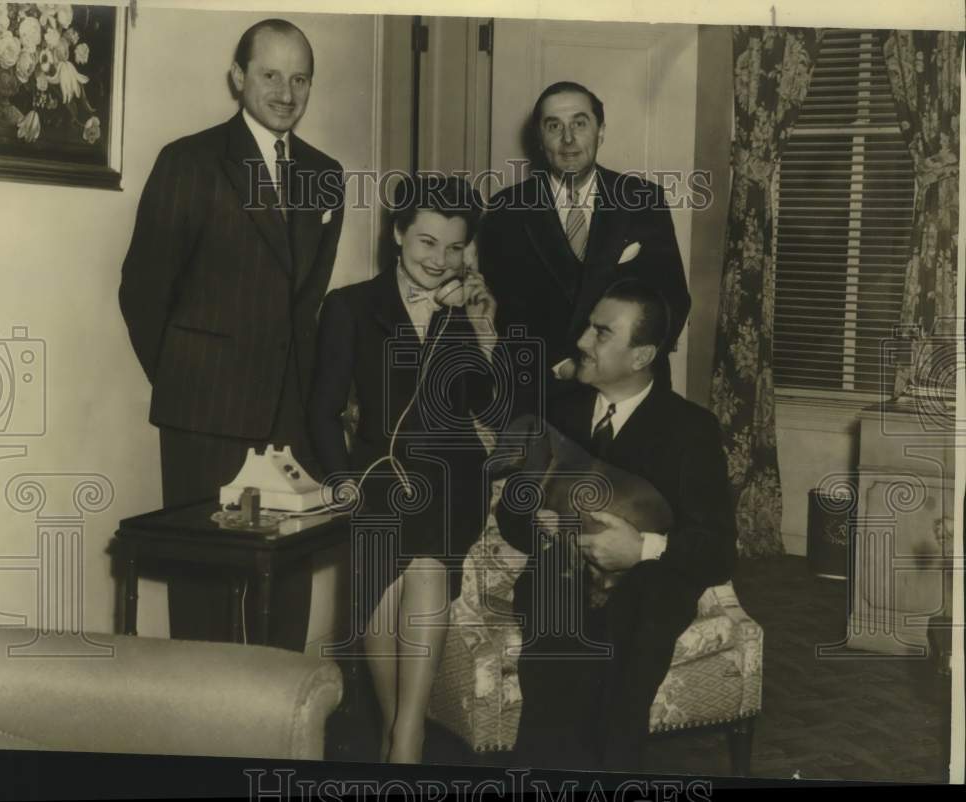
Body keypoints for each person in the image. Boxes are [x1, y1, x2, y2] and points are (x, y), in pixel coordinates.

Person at [119, 19, 345, 640]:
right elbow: (142, 291)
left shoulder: (326, 174)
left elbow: (308, 304)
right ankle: (205, 725)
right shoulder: (189, 162)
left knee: (287, 583)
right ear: (238, 78)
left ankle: (276, 724)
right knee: (205, 588)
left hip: (289, 417)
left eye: (300, 78)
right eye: (270, 75)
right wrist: (188, 378)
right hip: (204, 412)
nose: (286, 91)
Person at [495, 279, 736, 773]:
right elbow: (512, 516)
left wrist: (642, 548)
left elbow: (717, 551)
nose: (582, 341)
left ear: (641, 354)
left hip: (649, 585)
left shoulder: (690, 430)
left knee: (626, 648)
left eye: (602, 333)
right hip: (560, 579)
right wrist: (535, 523)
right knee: (557, 652)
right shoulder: (556, 411)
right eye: (588, 327)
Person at [308, 175, 497, 764]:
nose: (440, 261)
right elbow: (321, 409)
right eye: (426, 243)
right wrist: (339, 478)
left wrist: (483, 329)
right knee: (381, 593)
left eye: (455, 247)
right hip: (377, 472)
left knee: (423, 559)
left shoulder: (464, 313)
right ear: (396, 235)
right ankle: (399, 733)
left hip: (452, 472)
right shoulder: (350, 306)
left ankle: (406, 740)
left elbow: (482, 404)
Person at [479, 81, 688, 401]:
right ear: (539, 138)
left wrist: (627, 366)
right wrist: (563, 366)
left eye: (579, 123)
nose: (567, 139)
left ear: (600, 131)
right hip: (542, 387)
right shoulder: (506, 209)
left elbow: (672, 298)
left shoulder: (643, 199)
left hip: (629, 387)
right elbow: (508, 309)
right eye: (554, 126)